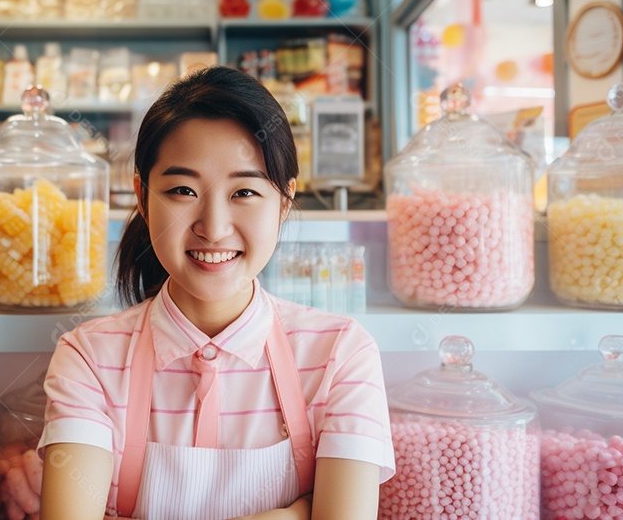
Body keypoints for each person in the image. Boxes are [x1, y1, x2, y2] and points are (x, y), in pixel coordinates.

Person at [38, 66, 394, 520]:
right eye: (183, 190)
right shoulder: (88, 356)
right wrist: (293, 515)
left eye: (244, 191)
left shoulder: (340, 353)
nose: (214, 227)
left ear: (284, 202)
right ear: (143, 199)